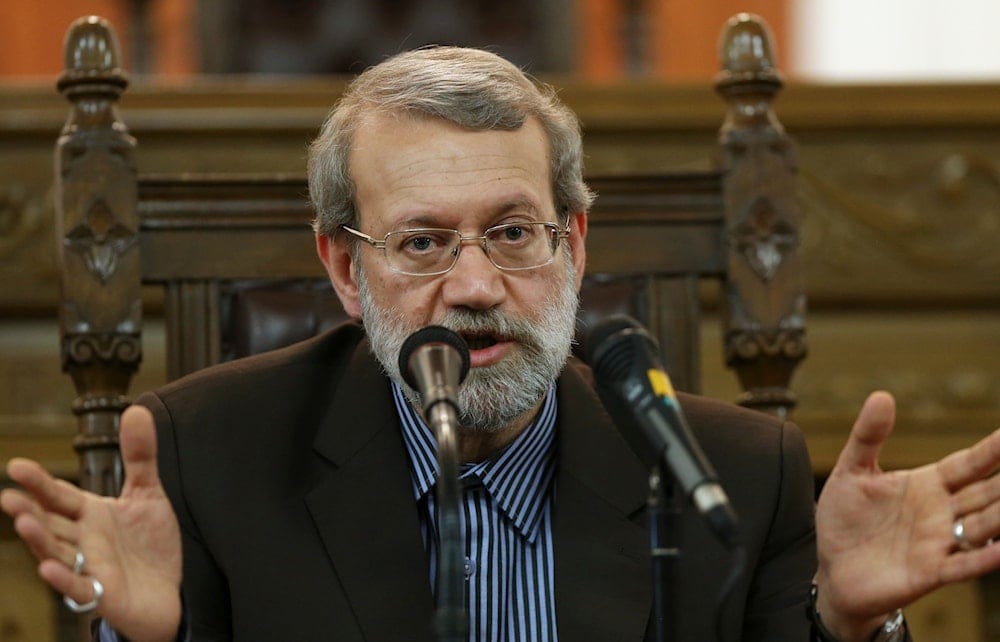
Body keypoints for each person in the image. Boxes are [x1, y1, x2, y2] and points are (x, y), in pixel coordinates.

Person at [3, 46, 1000, 642]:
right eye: (423, 242)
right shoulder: (212, 457)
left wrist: (849, 626)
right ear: (348, 271)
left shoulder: (733, 475)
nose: (477, 287)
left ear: (571, 244)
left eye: (512, 232)